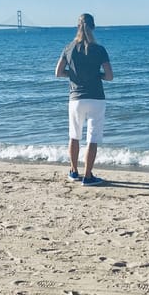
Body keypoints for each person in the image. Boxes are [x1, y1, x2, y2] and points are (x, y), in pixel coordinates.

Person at [55, 13, 113, 186]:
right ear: (93, 27)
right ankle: (88, 176)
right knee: (92, 138)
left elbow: (58, 73)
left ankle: (73, 171)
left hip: (76, 99)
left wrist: (72, 75)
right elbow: (109, 76)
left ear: (77, 27)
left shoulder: (68, 48)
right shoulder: (99, 49)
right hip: (96, 97)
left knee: (74, 136)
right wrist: (98, 75)